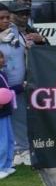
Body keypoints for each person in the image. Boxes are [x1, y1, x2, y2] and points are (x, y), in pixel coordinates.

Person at [0, 4, 29, 167]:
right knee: (3, 122)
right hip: (3, 86)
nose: (5, 20)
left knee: (20, 118)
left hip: (19, 83)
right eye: (1, 18)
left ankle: (22, 150)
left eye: (7, 17)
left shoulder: (16, 31)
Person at [0, 51, 18, 179]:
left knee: (9, 139)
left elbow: (7, 91)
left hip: (6, 112)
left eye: (1, 57)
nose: (1, 60)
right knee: (2, 141)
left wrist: (20, 87)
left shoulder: (2, 74)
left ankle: (7, 164)